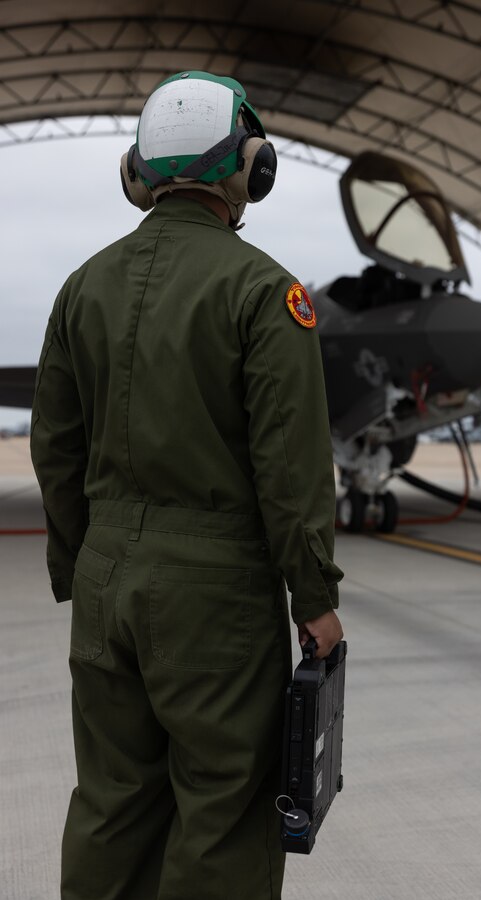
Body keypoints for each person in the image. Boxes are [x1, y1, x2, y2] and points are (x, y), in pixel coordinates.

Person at [30, 70, 344, 900]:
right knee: (224, 811)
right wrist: (314, 599)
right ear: (250, 168)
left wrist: (80, 563)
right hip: (215, 600)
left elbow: (55, 448)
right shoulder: (264, 292)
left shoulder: (79, 289)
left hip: (105, 589)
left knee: (111, 800)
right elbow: (292, 467)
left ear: (139, 173)